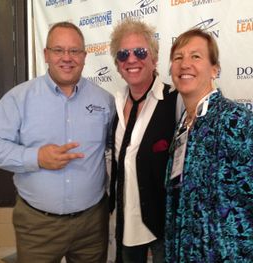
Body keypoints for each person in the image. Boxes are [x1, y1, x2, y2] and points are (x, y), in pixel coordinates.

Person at [0, 21, 115, 263]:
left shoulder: (104, 100)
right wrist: (36, 157)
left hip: (92, 224)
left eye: (74, 51)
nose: (67, 58)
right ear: (46, 55)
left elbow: (113, 145)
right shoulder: (19, 98)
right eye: (58, 50)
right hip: (37, 225)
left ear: (84, 56)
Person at [165, 28, 253, 262]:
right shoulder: (183, 126)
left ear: (214, 69)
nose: (185, 63)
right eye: (178, 57)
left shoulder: (236, 122)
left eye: (196, 56)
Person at [108, 19, 179, 263]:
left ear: (154, 58)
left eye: (140, 52)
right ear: (117, 65)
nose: (131, 59)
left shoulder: (175, 101)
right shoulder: (115, 105)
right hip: (126, 223)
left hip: (162, 226)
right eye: (122, 54)